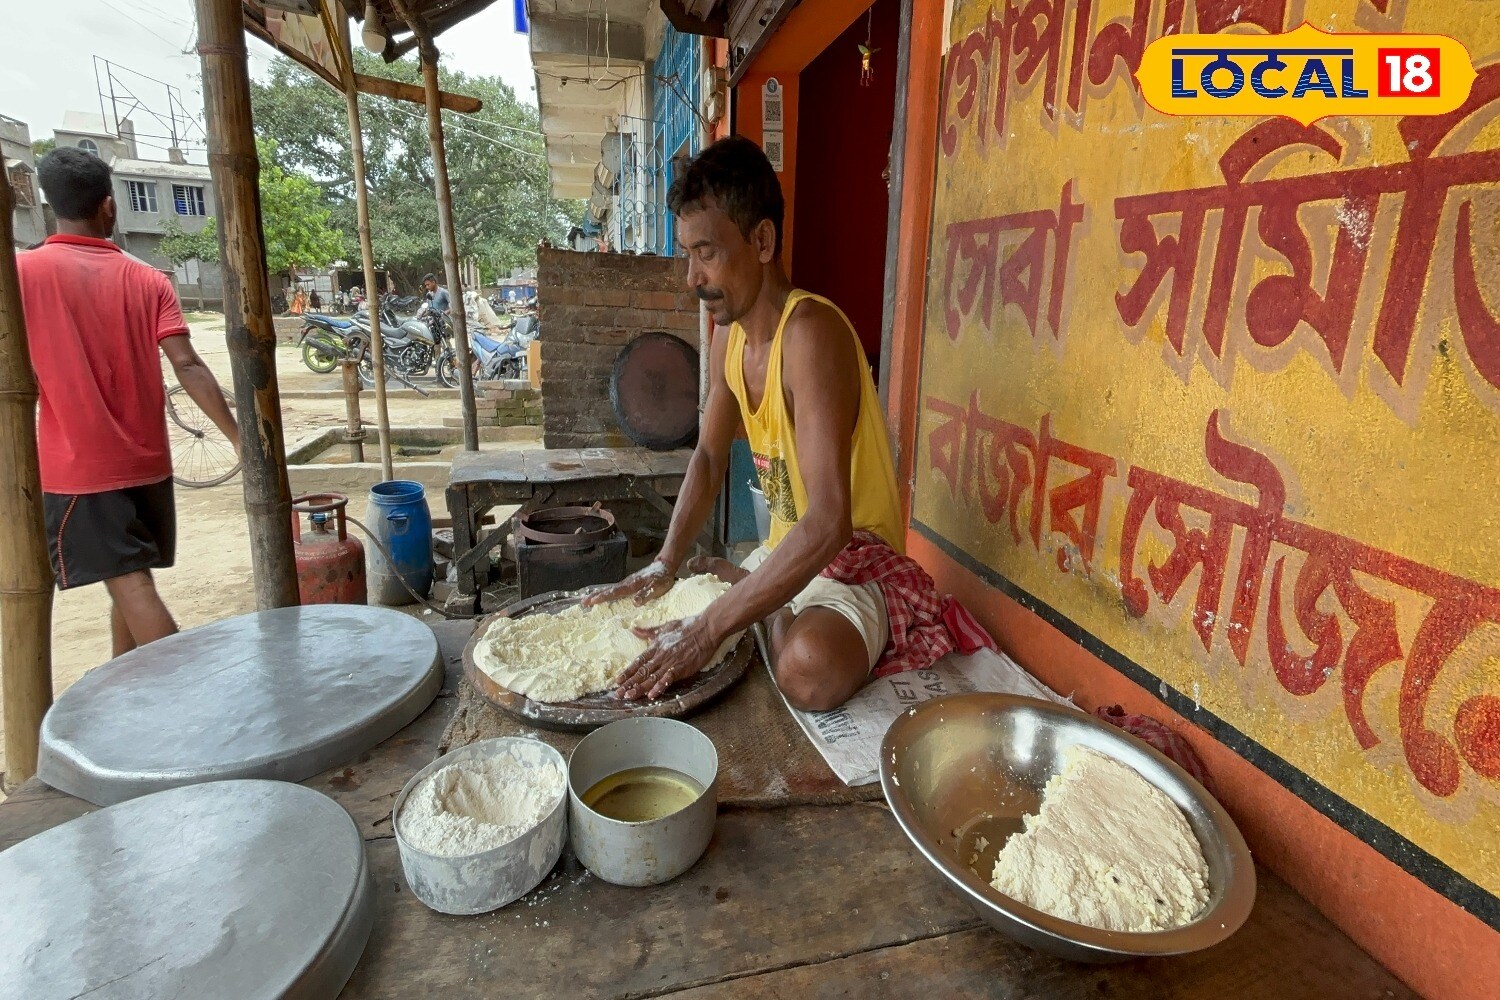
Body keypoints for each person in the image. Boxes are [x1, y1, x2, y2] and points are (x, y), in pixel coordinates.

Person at [587, 136, 992, 711]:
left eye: (706, 252)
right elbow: (706, 457)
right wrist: (664, 561)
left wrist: (706, 633)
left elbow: (829, 523)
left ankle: (761, 598)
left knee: (808, 671)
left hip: (854, 563)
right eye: (687, 254)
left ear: (762, 240)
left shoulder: (811, 335)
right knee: (665, 605)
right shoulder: (728, 334)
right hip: (788, 552)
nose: (690, 277)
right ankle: (757, 592)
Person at [17, 148, 241, 658]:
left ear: (51, 205)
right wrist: (235, 436)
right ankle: (128, 688)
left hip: (82, 470)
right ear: (108, 208)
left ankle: (184, 697)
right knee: (127, 581)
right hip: (148, 462)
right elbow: (188, 364)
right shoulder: (148, 279)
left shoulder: (21, 274)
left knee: (130, 585)